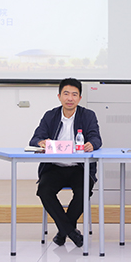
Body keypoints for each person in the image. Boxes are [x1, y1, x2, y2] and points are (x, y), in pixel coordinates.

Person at [30, 78, 102, 247]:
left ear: (80, 98)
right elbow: (35, 139)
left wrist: (92, 144)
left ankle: (63, 232)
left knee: (84, 191)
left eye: (74, 94)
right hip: (54, 167)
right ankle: (71, 232)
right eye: (66, 94)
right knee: (44, 190)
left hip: (80, 167)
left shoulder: (88, 115)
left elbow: (96, 138)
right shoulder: (50, 115)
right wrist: (41, 142)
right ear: (59, 96)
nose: (70, 98)